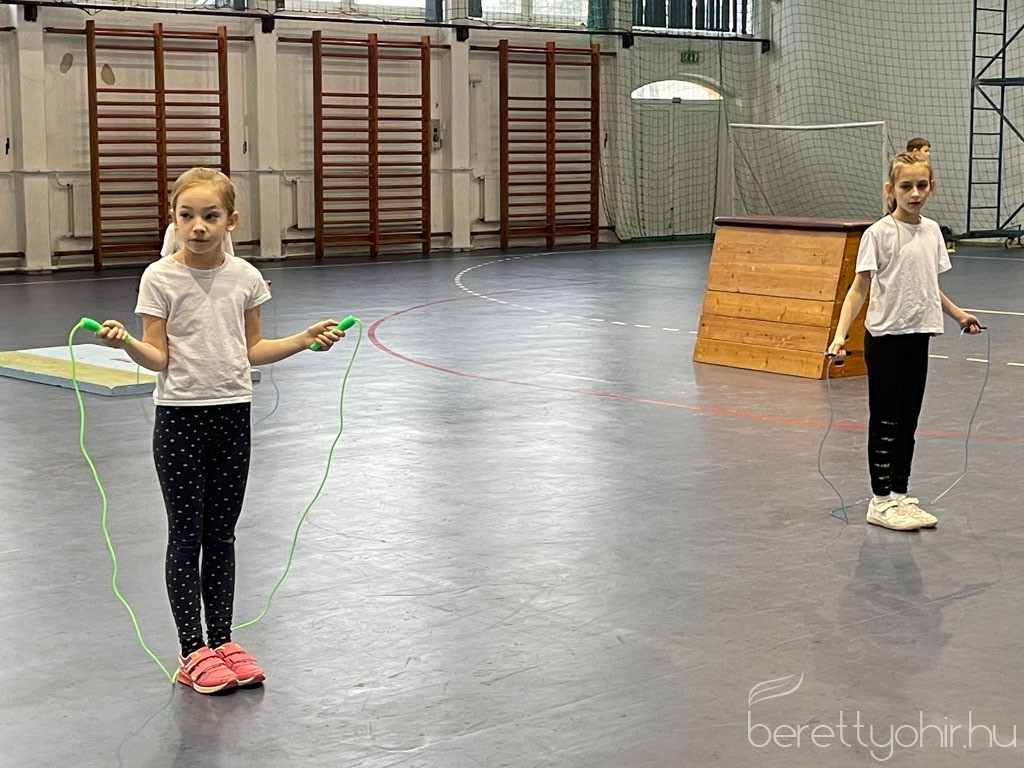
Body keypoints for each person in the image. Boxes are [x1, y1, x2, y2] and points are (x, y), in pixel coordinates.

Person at [94, 167, 346, 694]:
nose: (198, 226)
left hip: (233, 417)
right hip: (181, 420)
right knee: (187, 536)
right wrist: (126, 344)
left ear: (231, 221)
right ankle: (192, 652)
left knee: (222, 536)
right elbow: (157, 356)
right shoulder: (159, 278)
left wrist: (303, 339)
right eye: (187, 215)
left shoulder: (246, 278)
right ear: (172, 218)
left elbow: (252, 349)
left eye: (210, 216)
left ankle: (223, 641)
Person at [828, 152, 981, 532]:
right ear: (890, 190)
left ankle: (900, 494)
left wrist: (958, 315)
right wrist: (840, 334)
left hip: (919, 335)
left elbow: (929, 285)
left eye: (921, 185)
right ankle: (880, 501)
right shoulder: (878, 234)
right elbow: (859, 288)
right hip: (886, 339)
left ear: (932, 187)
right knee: (886, 421)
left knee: (909, 421)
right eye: (906, 186)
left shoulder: (931, 232)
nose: (914, 193)